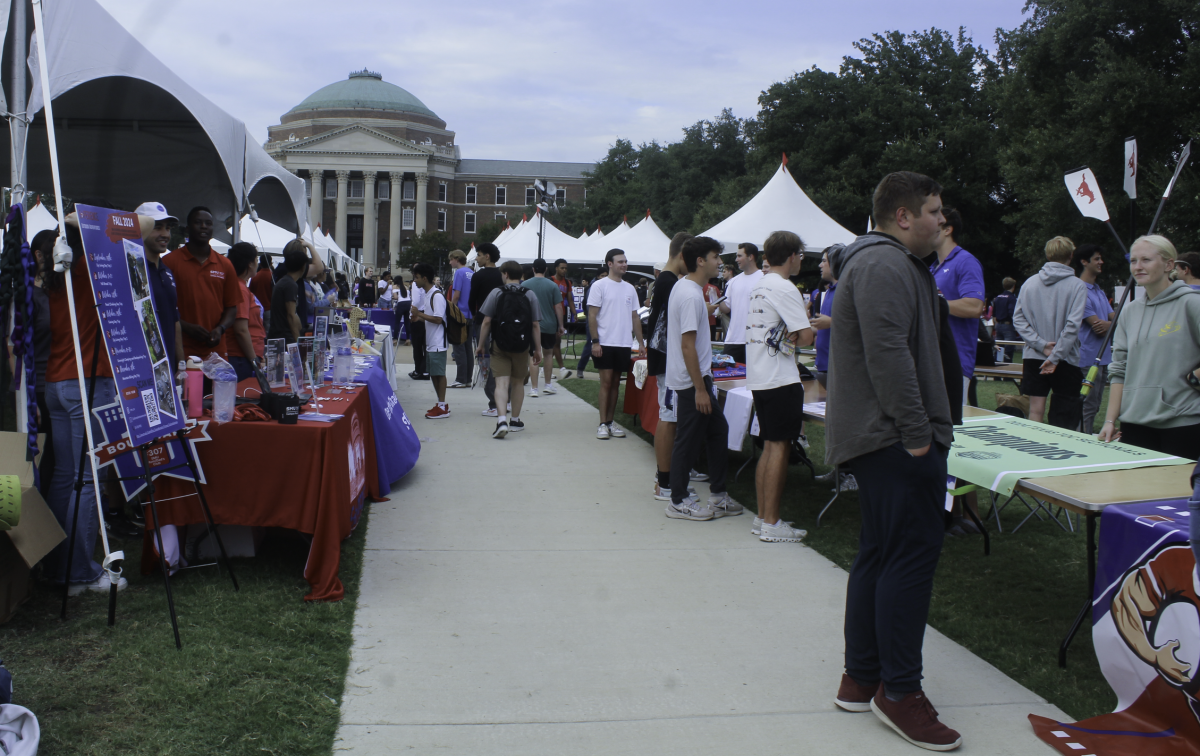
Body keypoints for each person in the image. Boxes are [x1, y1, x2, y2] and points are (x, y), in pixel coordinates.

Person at [826, 171, 961, 751]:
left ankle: (861, 678)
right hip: (895, 440)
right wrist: (917, 436)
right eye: (933, 210)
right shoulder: (883, 265)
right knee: (907, 562)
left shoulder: (885, 263)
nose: (941, 220)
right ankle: (900, 693)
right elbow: (888, 355)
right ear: (902, 216)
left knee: (880, 556)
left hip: (885, 439)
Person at [43, 218, 127, 595]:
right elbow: (135, 227)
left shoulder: (58, 270)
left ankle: (59, 563)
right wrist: (87, 217)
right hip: (85, 384)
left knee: (66, 476)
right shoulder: (87, 268)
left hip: (58, 381)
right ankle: (78, 571)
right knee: (85, 479)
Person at [1100, 235, 1200, 459]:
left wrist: (1195, 378)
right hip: (1134, 423)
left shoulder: (1191, 303)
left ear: (1168, 265)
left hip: (1183, 423)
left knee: (1178, 493)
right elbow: (1118, 370)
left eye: (1146, 260)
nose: (1138, 267)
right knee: (1135, 493)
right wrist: (1109, 420)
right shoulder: (1129, 311)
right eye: (1134, 261)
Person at [665, 237, 741, 521]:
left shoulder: (690, 290)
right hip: (691, 382)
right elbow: (687, 345)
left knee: (718, 432)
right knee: (687, 440)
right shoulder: (690, 294)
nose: (719, 262)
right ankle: (678, 500)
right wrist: (699, 388)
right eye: (714, 257)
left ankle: (719, 496)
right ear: (700, 261)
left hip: (698, 379)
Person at [745, 231, 813, 543]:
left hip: (761, 375)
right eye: (800, 254)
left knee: (770, 445)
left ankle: (763, 517)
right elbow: (806, 335)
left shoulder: (761, 284)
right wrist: (808, 327)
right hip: (781, 377)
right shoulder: (785, 287)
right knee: (779, 448)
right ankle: (772, 522)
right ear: (791, 256)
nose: (802, 260)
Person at [1013, 236, 1088, 428]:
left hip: (1035, 355)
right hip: (1065, 357)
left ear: (1047, 254)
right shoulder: (1077, 285)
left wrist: (1040, 344)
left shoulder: (1029, 283)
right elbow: (1073, 325)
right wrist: (1056, 355)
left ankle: (1033, 452)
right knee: (1064, 416)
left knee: (1035, 412)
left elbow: (1018, 319)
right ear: (1071, 256)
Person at [475, 260, 543, 438]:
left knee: (501, 383)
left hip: (500, 344)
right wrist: (538, 349)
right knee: (518, 382)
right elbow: (535, 324)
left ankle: (501, 420)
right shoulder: (529, 294)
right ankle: (515, 420)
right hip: (522, 345)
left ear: (505, 274)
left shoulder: (496, 292)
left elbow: (487, 321)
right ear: (520, 275)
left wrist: (481, 345)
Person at [161, 207, 240, 361]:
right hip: (181, 349)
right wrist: (185, 326)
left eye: (208, 223)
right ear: (188, 229)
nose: (204, 226)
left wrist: (220, 328)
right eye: (198, 223)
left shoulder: (225, 264)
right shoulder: (169, 262)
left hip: (216, 352)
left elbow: (232, 307)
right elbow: (161, 308)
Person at [647, 232, 691, 501]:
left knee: (671, 416)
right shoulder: (669, 281)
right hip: (666, 359)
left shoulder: (667, 280)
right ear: (682, 254)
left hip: (664, 358)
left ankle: (665, 475)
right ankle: (664, 482)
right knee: (669, 417)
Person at [930, 207, 985, 405]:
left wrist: (932, 304)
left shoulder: (966, 261)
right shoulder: (932, 267)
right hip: (931, 361)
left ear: (948, 230)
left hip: (955, 362)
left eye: (936, 224)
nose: (928, 228)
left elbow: (974, 306)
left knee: (950, 431)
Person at [587, 250, 644, 439]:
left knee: (615, 385)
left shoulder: (630, 288)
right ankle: (602, 423)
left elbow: (635, 317)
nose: (624, 264)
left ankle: (610, 423)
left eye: (626, 261)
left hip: (623, 343)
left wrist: (641, 343)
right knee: (606, 383)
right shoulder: (599, 286)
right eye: (620, 261)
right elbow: (592, 316)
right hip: (604, 342)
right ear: (609, 264)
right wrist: (595, 342)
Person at [1071, 244, 1114, 433]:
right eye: (1096, 258)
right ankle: (1083, 441)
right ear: (1084, 262)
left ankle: (1085, 436)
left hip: (1103, 357)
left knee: (1095, 405)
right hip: (1088, 358)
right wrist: (1112, 324)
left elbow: (1113, 320)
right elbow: (1099, 328)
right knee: (1087, 406)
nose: (1101, 262)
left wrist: (1111, 324)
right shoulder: (1080, 290)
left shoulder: (1098, 290)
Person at [467, 243, 504, 415]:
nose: (477, 258)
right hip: (502, 323)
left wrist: (475, 315)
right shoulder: (502, 276)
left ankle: (494, 403)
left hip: (483, 321)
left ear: (487, 256)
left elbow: (471, 299)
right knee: (502, 361)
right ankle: (505, 399)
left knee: (485, 362)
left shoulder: (478, 276)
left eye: (479, 255)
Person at [411, 263, 450, 418]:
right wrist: (418, 318)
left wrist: (419, 315)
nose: (414, 281)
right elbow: (432, 318)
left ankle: (442, 406)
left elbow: (438, 319)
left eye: (417, 277)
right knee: (434, 373)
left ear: (424, 278)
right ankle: (441, 404)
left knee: (439, 374)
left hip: (438, 342)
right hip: (432, 342)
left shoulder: (437, 295)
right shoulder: (429, 294)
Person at [522, 258, 565, 396]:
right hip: (548, 324)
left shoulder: (525, 285)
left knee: (533, 355)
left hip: (530, 324)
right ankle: (547, 384)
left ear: (533, 269)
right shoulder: (552, 285)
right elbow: (558, 306)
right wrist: (561, 325)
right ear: (546, 269)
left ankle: (534, 388)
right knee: (548, 354)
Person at [226, 242, 266, 382]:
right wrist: (253, 359)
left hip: (242, 357)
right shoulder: (240, 289)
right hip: (240, 358)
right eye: (256, 260)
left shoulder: (240, 287)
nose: (257, 263)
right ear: (250, 263)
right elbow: (241, 329)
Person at [718, 242, 763, 362]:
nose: (736, 259)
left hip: (756, 341)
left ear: (750, 257)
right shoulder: (733, 282)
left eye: (739, 256)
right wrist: (715, 297)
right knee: (730, 379)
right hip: (733, 340)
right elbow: (726, 308)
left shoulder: (763, 278)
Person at [266, 241, 308, 344]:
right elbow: (291, 315)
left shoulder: (285, 282)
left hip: (279, 336)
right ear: (303, 267)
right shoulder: (290, 285)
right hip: (284, 338)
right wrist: (298, 343)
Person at [448, 250, 474, 388]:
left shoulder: (459, 273)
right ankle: (467, 378)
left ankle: (460, 378)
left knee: (458, 347)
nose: (449, 262)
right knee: (468, 347)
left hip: (460, 313)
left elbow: (456, 294)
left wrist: (451, 309)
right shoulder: (471, 273)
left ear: (456, 259)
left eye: (451, 260)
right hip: (470, 314)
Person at [812, 249, 837, 388]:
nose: (820, 265)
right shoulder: (828, 292)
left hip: (836, 368)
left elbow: (859, 322)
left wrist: (832, 322)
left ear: (835, 263)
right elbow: (821, 325)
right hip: (823, 366)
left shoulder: (846, 290)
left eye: (824, 261)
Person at [576, 272, 605, 376]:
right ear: (597, 276)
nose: (604, 277)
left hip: (599, 319)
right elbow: (589, 306)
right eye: (602, 275)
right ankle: (580, 368)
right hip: (592, 319)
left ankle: (583, 369)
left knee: (598, 345)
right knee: (591, 344)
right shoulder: (594, 287)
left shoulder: (600, 286)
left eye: (606, 275)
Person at [550, 258, 574, 380]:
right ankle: (562, 369)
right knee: (556, 342)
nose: (564, 270)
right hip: (551, 314)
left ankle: (544, 369)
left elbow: (570, 300)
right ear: (556, 268)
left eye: (566, 268)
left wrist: (574, 313)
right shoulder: (550, 281)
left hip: (562, 315)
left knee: (555, 343)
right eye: (562, 268)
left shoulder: (567, 282)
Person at [991, 277, 1019, 362]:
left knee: (999, 349)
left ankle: (996, 373)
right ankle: (1008, 373)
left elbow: (994, 313)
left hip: (998, 325)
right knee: (1008, 350)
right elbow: (1011, 312)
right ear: (1013, 286)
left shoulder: (998, 297)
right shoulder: (1011, 298)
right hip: (1008, 325)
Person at [408, 270, 429, 380]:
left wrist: (413, 314)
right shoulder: (429, 287)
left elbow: (415, 300)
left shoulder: (415, 285)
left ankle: (419, 370)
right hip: (426, 313)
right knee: (425, 345)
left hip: (418, 313)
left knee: (417, 345)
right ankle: (424, 370)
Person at [249, 253, 274, 334]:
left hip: (257, 309)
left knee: (257, 331)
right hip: (269, 309)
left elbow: (250, 292)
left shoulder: (255, 276)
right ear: (271, 263)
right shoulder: (272, 276)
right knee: (267, 333)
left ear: (260, 264)